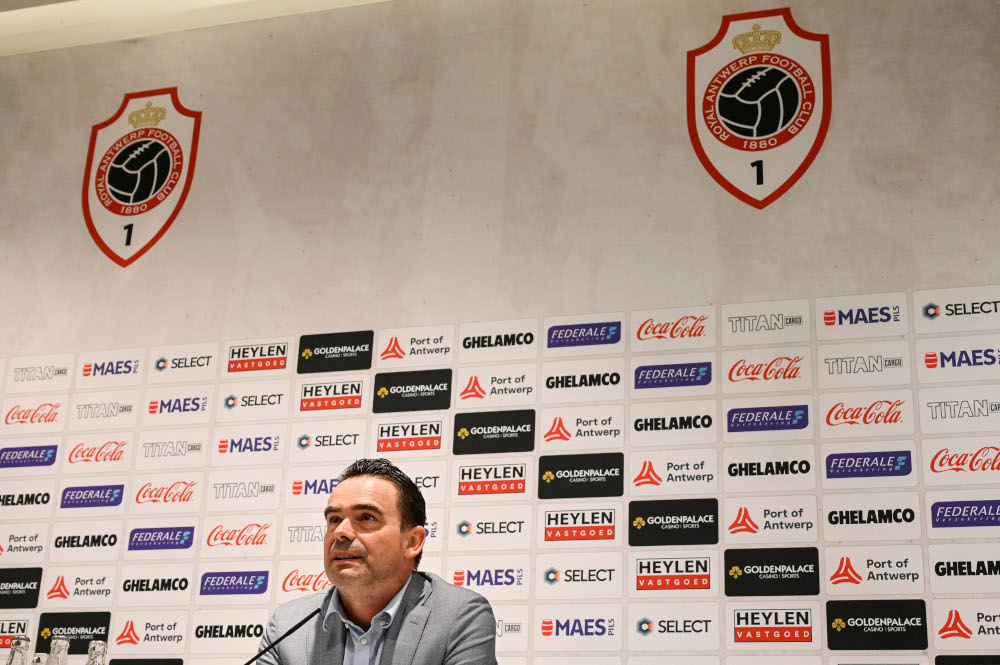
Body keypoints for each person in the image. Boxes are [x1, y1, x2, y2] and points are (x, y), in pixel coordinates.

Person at [255, 458, 498, 664]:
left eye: (366, 517)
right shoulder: (288, 624)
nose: (341, 532)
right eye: (334, 519)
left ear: (412, 542)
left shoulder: (459, 616)